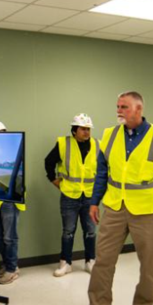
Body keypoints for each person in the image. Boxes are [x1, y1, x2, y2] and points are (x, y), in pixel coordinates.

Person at [73, 91, 153, 305]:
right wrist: (94, 201)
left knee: (150, 264)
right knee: (103, 260)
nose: (119, 110)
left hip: (149, 210)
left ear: (139, 109)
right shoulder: (110, 135)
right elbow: (102, 171)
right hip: (114, 206)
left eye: (124, 106)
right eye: (117, 106)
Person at [44, 113, 98, 277]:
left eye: (88, 129)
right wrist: (54, 180)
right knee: (68, 231)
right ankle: (65, 263)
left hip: (89, 196)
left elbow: (104, 169)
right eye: (83, 129)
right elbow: (48, 162)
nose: (86, 132)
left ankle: (90, 261)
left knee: (90, 231)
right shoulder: (63, 143)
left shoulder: (97, 145)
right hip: (69, 195)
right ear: (74, 130)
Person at [0, 120, 26, 285]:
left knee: (10, 237)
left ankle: (12, 268)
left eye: (1, 134)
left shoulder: (14, 151)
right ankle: (8, 263)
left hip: (10, 200)